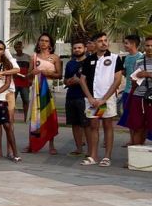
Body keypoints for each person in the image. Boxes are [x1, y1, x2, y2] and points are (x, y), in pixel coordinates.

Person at [79, 32, 124, 167]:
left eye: (105, 40)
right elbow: (82, 80)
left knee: (107, 125)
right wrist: (90, 97)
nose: (104, 43)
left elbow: (117, 80)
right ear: (94, 44)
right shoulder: (89, 59)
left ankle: (107, 157)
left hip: (106, 100)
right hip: (93, 100)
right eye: (100, 41)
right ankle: (93, 156)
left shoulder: (115, 58)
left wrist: (104, 99)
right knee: (93, 126)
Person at [27, 33, 61, 155]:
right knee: (34, 116)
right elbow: (28, 76)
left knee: (49, 115)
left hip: (49, 89)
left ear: (50, 43)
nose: (44, 43)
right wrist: (32, 73)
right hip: (35, 89)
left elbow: (59, 75)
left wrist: (48, 73)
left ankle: (51, 145)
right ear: (38, 42)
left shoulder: (55, 58)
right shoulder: (33, 57)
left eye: (46, 41)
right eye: (42, 40)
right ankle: (32, 143)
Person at [0, 40, 20, 161]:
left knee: (7, 125)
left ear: (3, 52)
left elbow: (7, 83)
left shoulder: (6, 64)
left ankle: (15, 153)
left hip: (1, 98)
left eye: (1, 49)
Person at [63, 38, 89, 157]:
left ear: (85, 49)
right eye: (75, 48)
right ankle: (79, 148)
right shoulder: (70, 63)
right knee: (75, 124)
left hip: (84, 97)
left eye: (79, 48)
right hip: (71, 96)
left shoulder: (90, 62)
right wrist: (69, 81)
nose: (77, 50)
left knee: (87, 124)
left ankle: (90, 150)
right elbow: (65, 80)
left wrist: (80, 81)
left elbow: (93, 80)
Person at [127, 35, 152, 147]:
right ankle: (136, 153)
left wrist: (147, 74)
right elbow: (135, 78)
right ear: (144, 46)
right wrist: (134, 79)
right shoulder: (139, 60)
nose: (149, 48)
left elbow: (145, 74)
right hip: (138, 97)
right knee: (137, 127)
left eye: (151, 45)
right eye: (147, 45)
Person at [12, 40, 31, 122]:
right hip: (14, 82)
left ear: (22, 47)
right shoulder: (12, 57)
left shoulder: (28, 57)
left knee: (26, 100)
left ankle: (26, 118)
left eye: (19, 47)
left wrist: (30, 79)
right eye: (16, 47)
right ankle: (11, 118)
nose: (18, 49)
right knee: (12, 101)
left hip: (25, 82)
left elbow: (31, 70)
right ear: (14, 48)